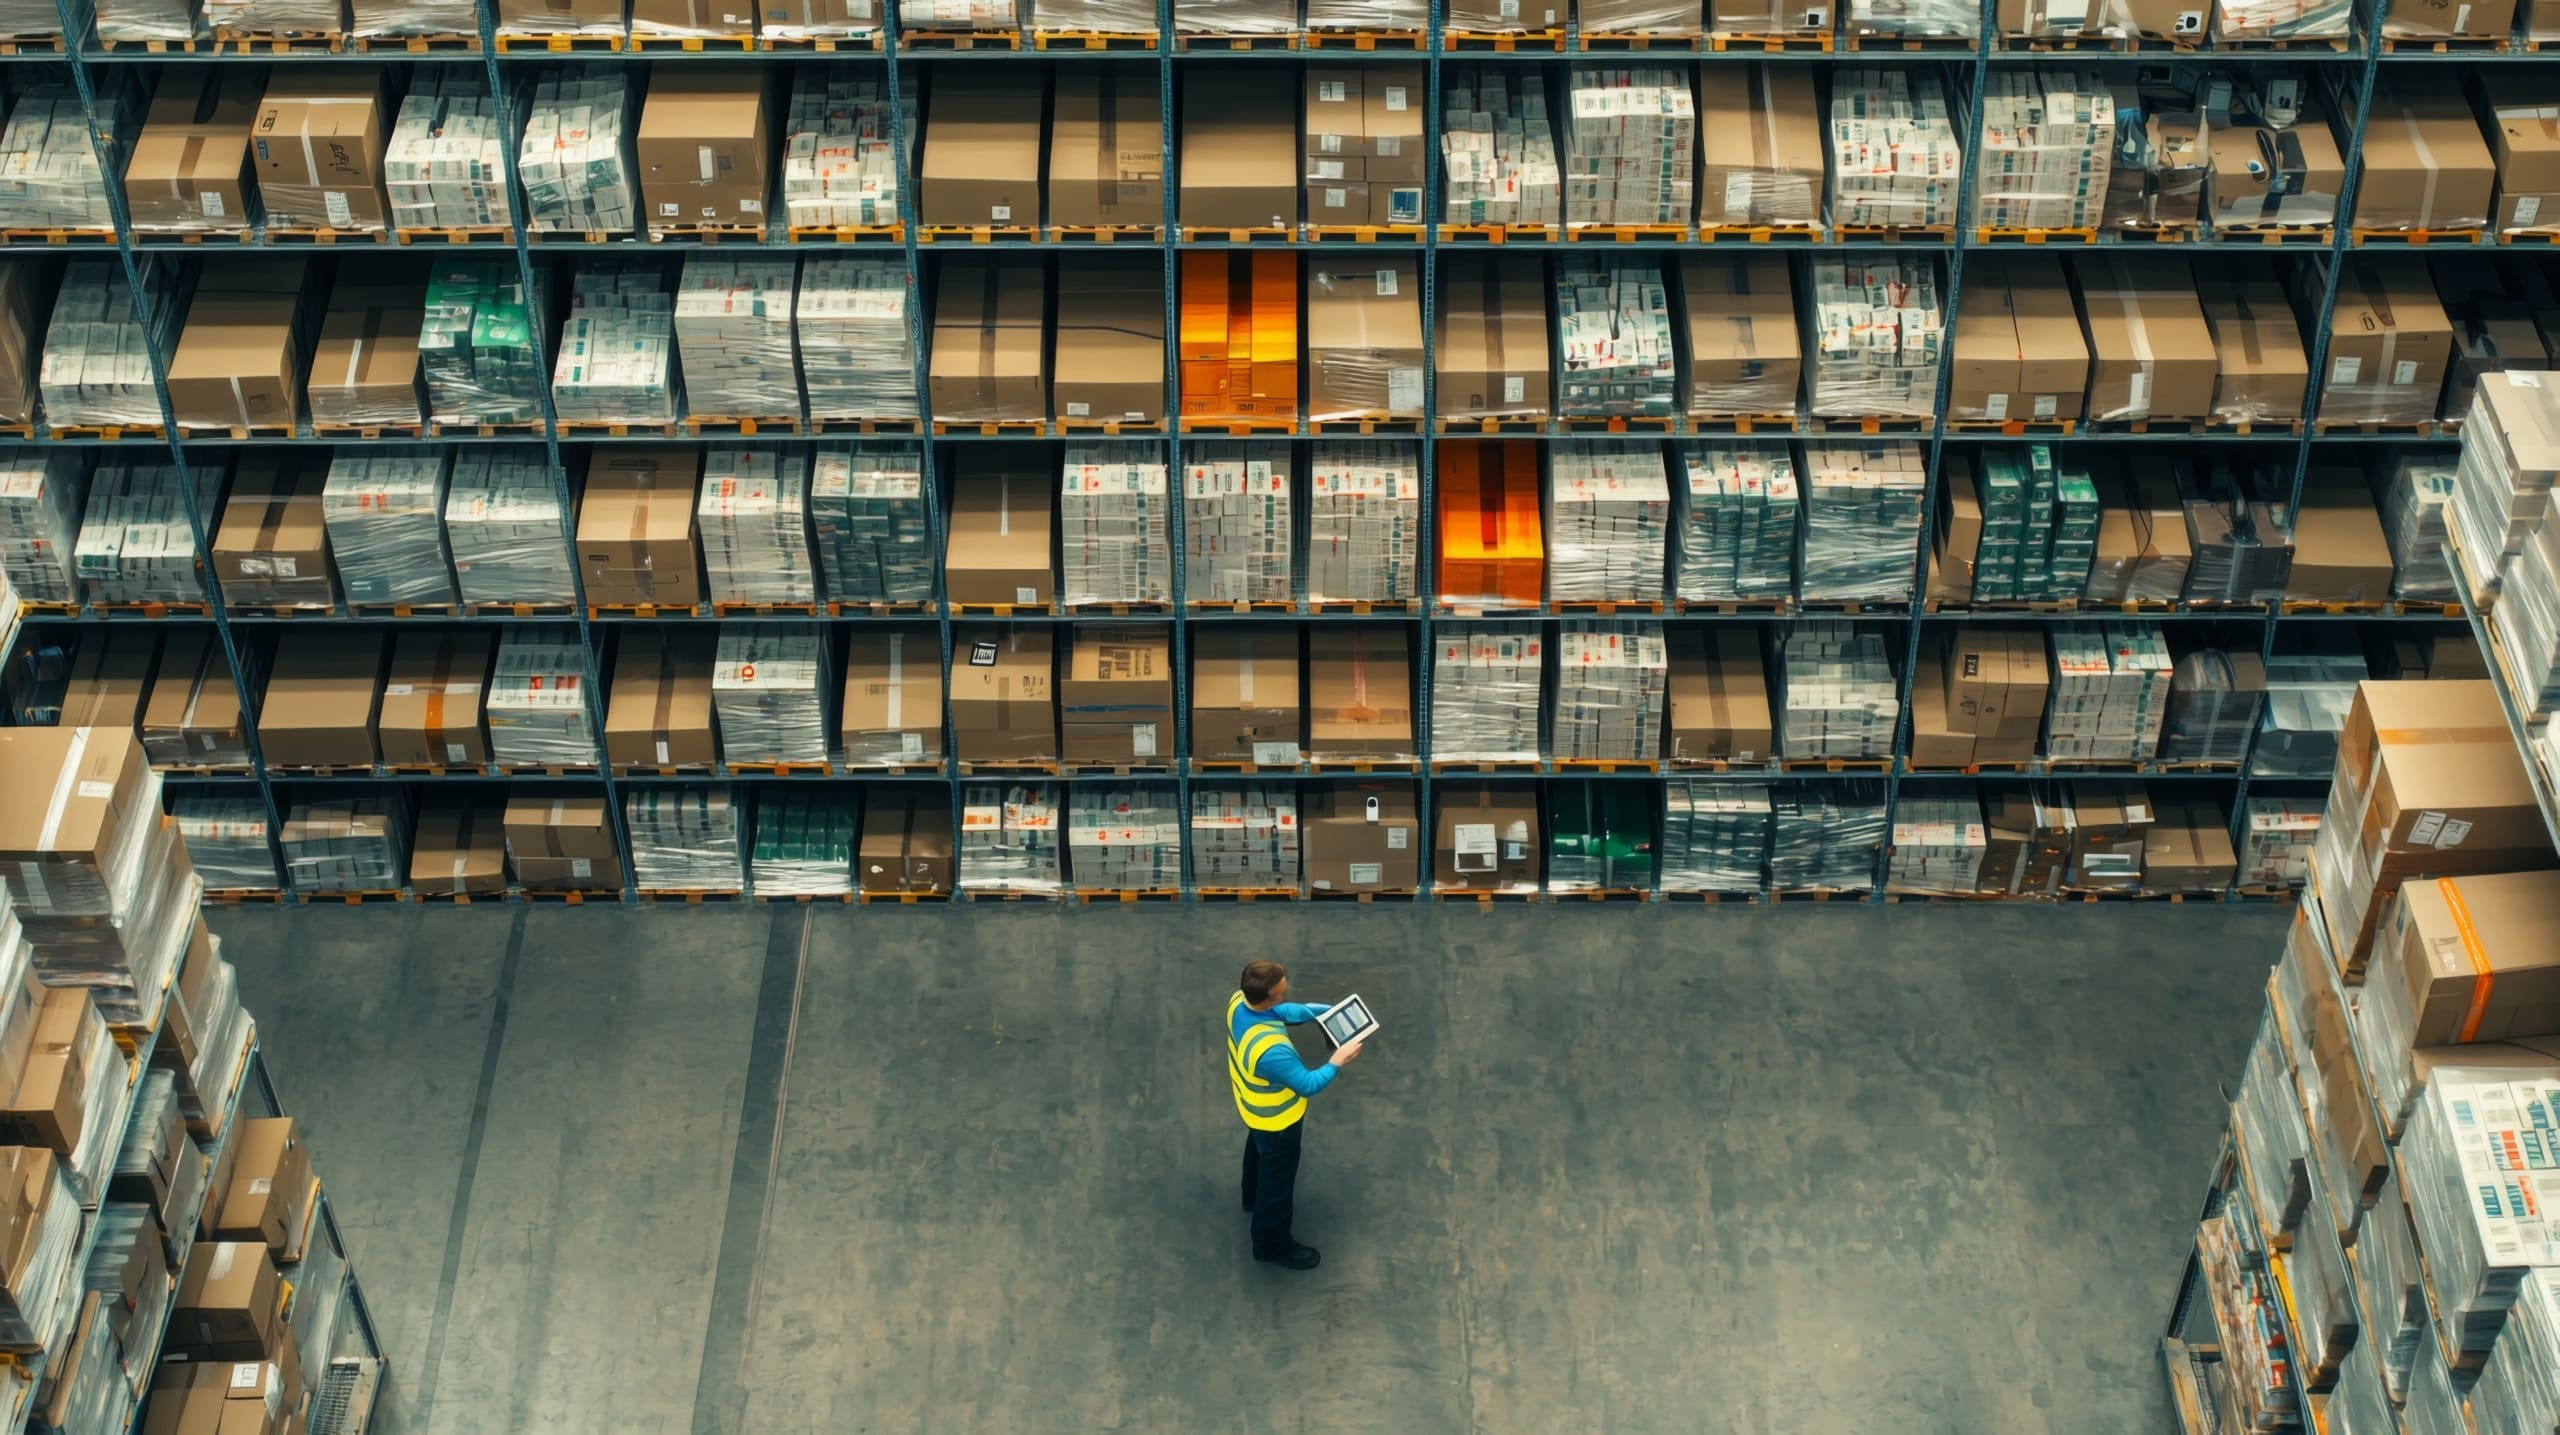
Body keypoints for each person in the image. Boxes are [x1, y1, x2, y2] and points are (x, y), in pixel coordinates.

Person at [1225, 959, 1366, 1271]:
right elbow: (1307, 1084)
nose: (1286, 997)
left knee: (1257, 1156)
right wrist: (1338, 1060)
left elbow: (1286, 1012)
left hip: (1255, 1110)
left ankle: (1251, 1198)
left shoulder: (1239, 1002)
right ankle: (1271, 1244)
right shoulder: (1272, 1051)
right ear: (1268, 997)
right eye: (1282, 993)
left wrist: (1324, 1013)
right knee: (1277, 1185)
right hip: (1278, 1121)